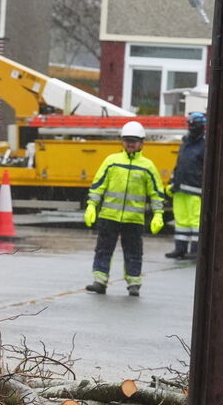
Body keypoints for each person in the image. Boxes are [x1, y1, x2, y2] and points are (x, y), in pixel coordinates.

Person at [83, 121, 165, 296]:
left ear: (142, 143)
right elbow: (98, 185)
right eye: (127, 140)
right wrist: (91, 205)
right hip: (109, 217)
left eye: (134, 141)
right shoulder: (111, 162)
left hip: (133, 219)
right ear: (121, 141)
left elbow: (157, 193)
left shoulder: (147, 166)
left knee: (134, 253)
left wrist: (158, 214)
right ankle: (100, 281)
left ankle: (134, 284)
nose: (130, 144)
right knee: (103, 250)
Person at [166, 112, 207, 260]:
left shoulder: (205, 145)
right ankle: (180, 248)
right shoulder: (186, 142)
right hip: (180, 188)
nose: (190, 128)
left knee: (195, 221)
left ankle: (196, 250)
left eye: (193, 125)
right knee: (181, 220)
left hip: (195, 189)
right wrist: (172, 181)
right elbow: (180, 164)